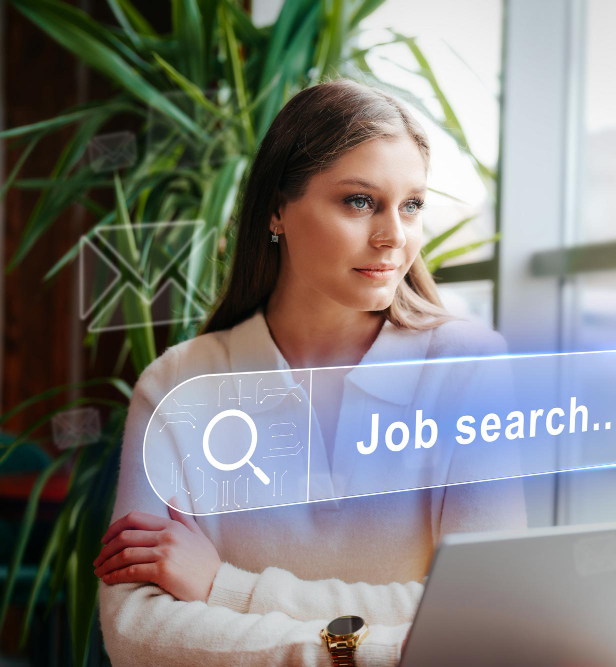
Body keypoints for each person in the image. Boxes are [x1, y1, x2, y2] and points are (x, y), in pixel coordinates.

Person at [93, 79, 527, 666]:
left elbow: (489, 618)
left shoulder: (469, 368)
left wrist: (227, 590)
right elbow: (137, 633)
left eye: (412, 205)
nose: (394, 237)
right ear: (277, 207)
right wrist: (382, 649)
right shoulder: (177, 386)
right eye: (359, 201)